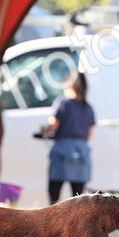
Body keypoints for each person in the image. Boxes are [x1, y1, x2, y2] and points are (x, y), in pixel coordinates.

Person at [43, 73, 95, 203]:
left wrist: (45, 128)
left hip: (62, 151)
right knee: (77, 196)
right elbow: (89, 135)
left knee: (54, 191)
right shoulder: (88, 107)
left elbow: (53, 126)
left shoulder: (62, 103)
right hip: (82, 152)